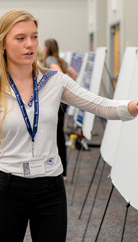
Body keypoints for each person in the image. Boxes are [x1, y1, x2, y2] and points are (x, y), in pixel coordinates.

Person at [0, 9, 138, 241]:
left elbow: (102, 106)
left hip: (50, 188)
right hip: (8, 187)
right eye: (20, 38)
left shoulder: (54, 81)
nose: (30, 45)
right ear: (2, 43)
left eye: (34, 37)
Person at [43, 38, 78, 178]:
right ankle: (62, 170)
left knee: (55, 135)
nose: (43, 48)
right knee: (59, 135)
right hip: (62, 102)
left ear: (48, 47)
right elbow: (74, 74)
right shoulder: (62, 60)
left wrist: (58, 88)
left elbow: (59, 74)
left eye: (44, 46)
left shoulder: (50, 59)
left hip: (56, 102)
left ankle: (58, 170)